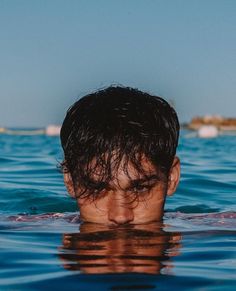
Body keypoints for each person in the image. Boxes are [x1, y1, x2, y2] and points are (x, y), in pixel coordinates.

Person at [60, 86, 180, 225]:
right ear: (70, 180)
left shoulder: (207, 231)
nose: (120, 216)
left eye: (139, 188)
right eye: (98, 189)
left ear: (172, 177)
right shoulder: (32, 230)